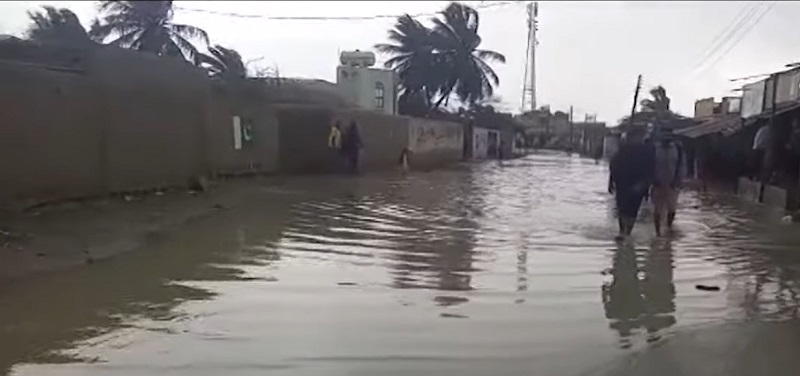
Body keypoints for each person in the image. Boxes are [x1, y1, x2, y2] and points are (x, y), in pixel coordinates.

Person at [608, 127, 655, 241]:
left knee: (632, 210)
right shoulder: (623, 150)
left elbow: (651, 170)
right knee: (622, 209)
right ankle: (622, 232)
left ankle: (627, 232)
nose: (637, 139)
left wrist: (646, 185)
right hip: (623, 183)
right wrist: (611, 181)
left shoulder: (647, 151)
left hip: (637, 184)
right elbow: (614, 166)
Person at [651, 129, 683, 236]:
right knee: (657, 209)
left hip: (672, 183)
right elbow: (649, 166)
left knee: (672, 208)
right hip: (657, 183)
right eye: (664, 136)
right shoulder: (654, 149)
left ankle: (668, 227)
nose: (667, 139)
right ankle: (657, 232)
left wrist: (677, 180)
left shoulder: (678, 149)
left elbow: (681, 166)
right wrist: (653, 180)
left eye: (669, 137)